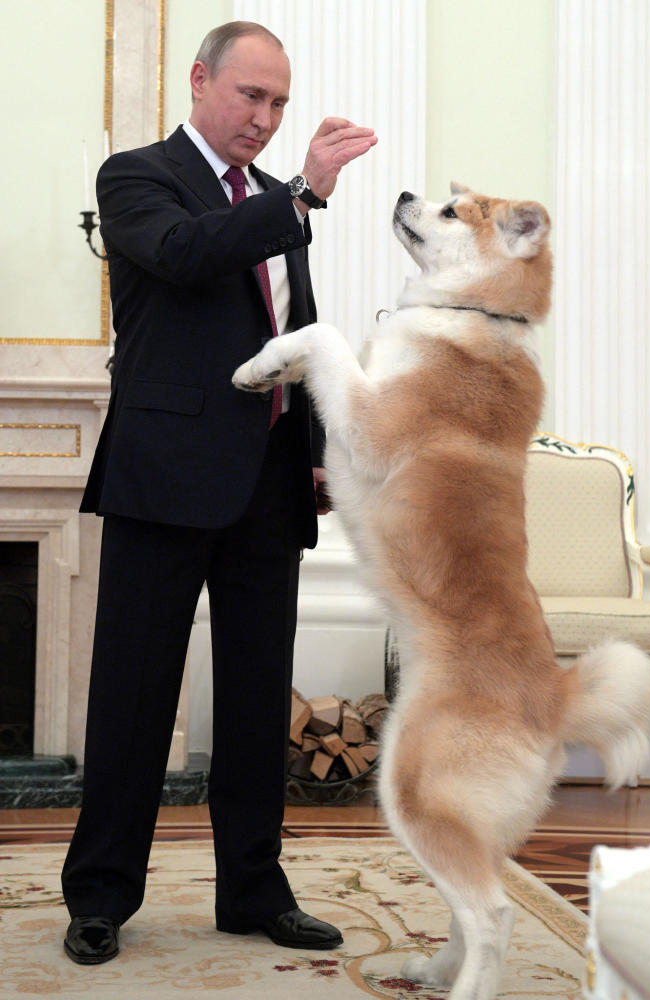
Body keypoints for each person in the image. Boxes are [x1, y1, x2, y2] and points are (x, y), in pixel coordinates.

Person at [61, 20, 377, 965]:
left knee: (250, 703)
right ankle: (102, 897)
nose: (265, 117)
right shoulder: (136, 177)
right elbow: (188, 253)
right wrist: (302, 194)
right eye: (251, 96)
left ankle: (252, 889)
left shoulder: (277, 207)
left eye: (278, 103)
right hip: (164, 480)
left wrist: (317, 449)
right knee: (133, 696)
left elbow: (298, 331)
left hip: (269, 484)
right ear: (200, 81)